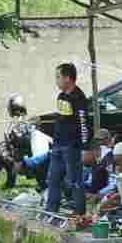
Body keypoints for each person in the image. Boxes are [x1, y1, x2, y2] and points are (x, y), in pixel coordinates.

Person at [46, 62, 89, 215]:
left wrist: (85, 147)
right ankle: (50, 210)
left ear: (68, 78)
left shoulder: (79, 98)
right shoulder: (61, 96)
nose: (56, 80)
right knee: (53, 179)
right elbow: (60, 117)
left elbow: (84, 123)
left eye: (58, 77)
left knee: (75, 181)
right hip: (58, 144)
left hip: (72, 146)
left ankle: (79, 213)